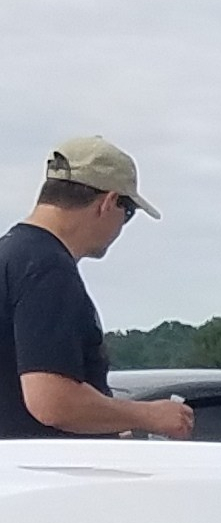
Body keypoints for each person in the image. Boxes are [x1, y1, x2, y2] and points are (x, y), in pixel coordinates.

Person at [3, 136, 189, 440]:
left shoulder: (10, 255)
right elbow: (52, 403)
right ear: (109, 202)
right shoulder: (48, 269)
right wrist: (150, 415)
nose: (120, 228)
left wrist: (110, 423)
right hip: (47, 478)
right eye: (127, 214)